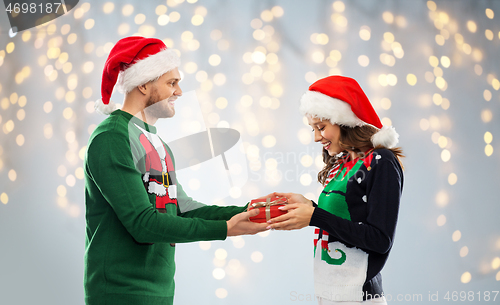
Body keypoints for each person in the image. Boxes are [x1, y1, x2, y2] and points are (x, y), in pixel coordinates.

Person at [83, 36, 268, 305]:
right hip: (120, 293)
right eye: (172, 83)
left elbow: (182, 207)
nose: (179, 92)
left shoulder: (158, 144)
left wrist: (248, 211)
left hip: (159, 292)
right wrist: (225, 229)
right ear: (144, 83)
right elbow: (142, 224)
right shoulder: (112, 138)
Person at [267, 76, 404, 304]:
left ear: (345, 122)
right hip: (331, 294)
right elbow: (343, 220)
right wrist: (309, 207)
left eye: (321, 127)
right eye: (313, 129)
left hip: (358, 297)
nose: (316, 137)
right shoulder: (344, 164)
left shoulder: (381, 161)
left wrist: (314, 216)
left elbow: (380, 239)